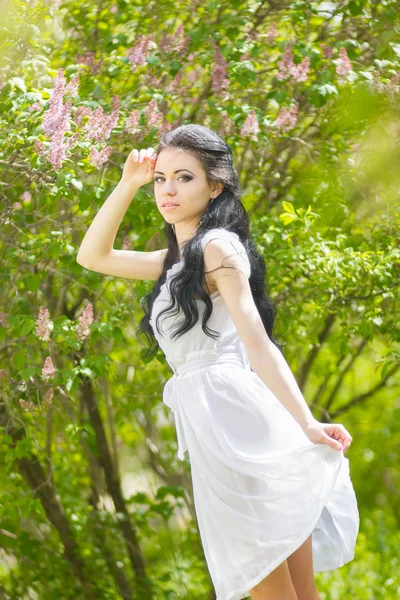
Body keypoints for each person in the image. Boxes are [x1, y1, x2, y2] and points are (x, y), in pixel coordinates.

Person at [77, 124, 359, 600]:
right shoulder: (177, 259)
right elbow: (92, 256)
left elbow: (258, 342)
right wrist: (128, 183)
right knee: (297, 593)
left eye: (183, 177)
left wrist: (308, 423)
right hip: (218, 423)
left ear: (215, 185)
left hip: (237, 419)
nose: (167, 189)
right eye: (161, 177)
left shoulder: (217, 247)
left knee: (271, 588)